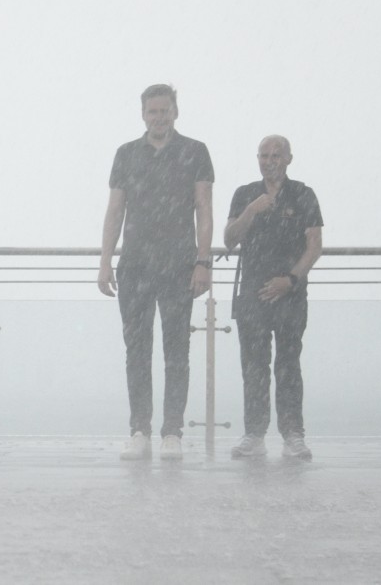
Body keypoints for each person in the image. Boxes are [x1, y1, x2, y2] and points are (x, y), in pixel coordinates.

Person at [97, 84, 214, 461]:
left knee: (177, 350)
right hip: (134, 265)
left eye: (165, 111)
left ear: (175, 112)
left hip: (179, 265)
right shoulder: (126, 154)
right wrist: (104, 261)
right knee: (137, 351)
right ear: (143, 115)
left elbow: (203, 209)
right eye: (153, 112)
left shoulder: (195, 152)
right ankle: (139, 430)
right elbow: (115, 210)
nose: (159, 117)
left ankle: (172, 432)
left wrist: (203, 260)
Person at [224, 136, 322, 461]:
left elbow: (314, 246)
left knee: (288, 364)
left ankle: (293, 434)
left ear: (289, 158)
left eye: (276, 155)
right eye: (264, 155)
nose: (270, 161)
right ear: (257, 159)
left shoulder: (304, 195)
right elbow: (228, 240)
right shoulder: (244, 194)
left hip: (291, 294)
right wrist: (252, 209)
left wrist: (290, 280)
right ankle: (254, 433)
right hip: (252, 295)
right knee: (253, 366)